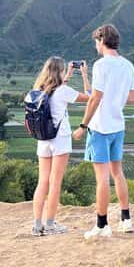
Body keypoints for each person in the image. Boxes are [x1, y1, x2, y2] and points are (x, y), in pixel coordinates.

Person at [72, 24, 134, 238]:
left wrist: (83, 126)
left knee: (102, 179)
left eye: (95, 42)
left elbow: (95, 98)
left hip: (99, 128)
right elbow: (133, 97)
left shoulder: (101, 65)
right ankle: (126, 219)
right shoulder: (127, 65)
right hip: (118, 126)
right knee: (117, 173)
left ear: (102, 40)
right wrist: (115, 99)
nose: (95, 46)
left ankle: (101, 225)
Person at [31, 57, 90, 236]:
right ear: (60, 71)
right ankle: (50, 224)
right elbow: (89, 97)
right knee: (55, 183)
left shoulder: (37, 90)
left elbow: (56, 89)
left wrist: (69, 75)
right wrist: (85, 76)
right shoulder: (63, 91)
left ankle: (37, 225)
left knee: (42, 181)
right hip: (60, 140)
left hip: (43, 140)